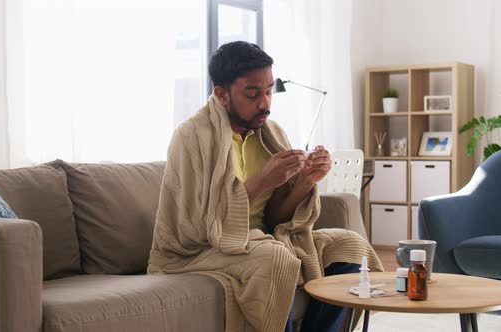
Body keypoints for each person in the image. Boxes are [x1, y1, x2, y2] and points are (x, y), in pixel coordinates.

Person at [148, 41, 382, 332]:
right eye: (253, 94)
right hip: (200, 250)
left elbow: (275, 220)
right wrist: (261, 181)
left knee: (350, 246)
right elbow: (196, 227)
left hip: (265, 239)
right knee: (275, 259)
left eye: (270, 91)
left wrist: (305, 182)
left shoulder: (270, 134)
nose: (265, 104)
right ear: (222, 94)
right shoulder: (191, 137)